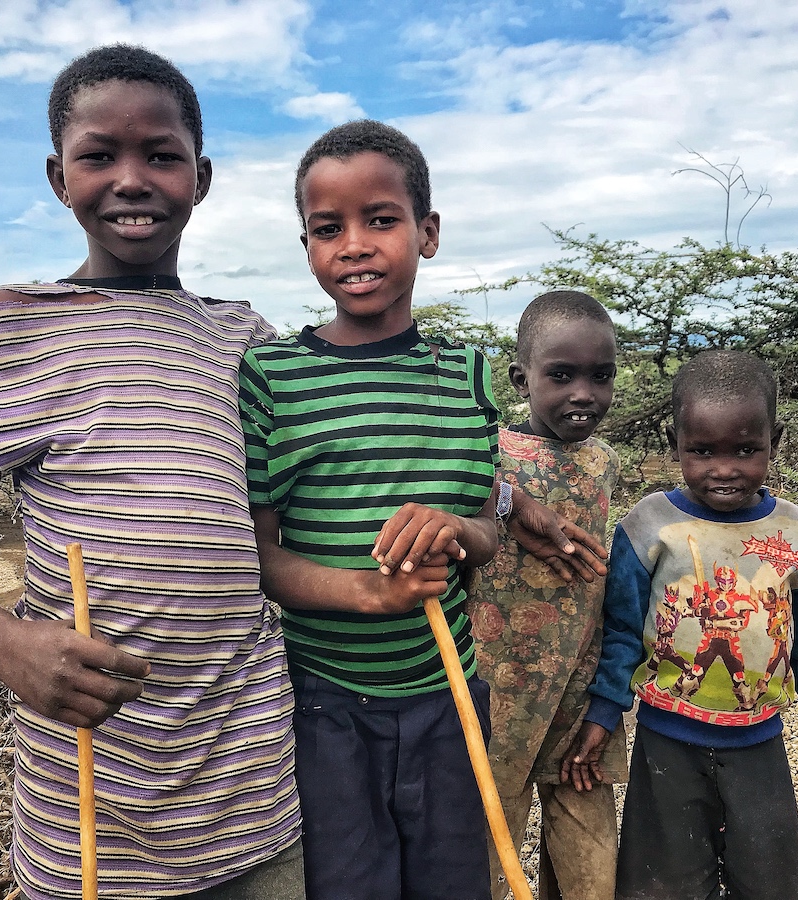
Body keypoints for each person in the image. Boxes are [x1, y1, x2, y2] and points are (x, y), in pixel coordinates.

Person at [0, 45, 307, 900]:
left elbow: (331, 493)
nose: (132, 178)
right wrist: (4, 644)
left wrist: (501, 495)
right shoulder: (5, 330)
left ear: (203, 175)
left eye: (161, 155)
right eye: (99, 155)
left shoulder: (244, 338)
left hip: (257, 799)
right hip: (89, 810)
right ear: (56, 175)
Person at [239, 119, 574, 900]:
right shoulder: (274, 378)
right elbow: (263, 559)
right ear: (308, 248)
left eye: (380, 220)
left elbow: (489, 533)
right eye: (329, 229)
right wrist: (370, 592)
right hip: (325, 707)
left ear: (426, 233)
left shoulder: (467, 377)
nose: (354, 244)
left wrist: (461, 529)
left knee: (453, 883)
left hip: (449, 696)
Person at [578, 349, 798, 900]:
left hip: (760, 745)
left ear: (774, 442)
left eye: (747, 450)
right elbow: (621, 631)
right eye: (702, 451)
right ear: (675, 443)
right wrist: (605, 711)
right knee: (664, 884)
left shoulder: (795, 533)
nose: (725, 469)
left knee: (770, 883)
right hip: (666, 742)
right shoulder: (651, 526)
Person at [468, 290, 629, 900]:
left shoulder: (605, 461)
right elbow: (470, 497)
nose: (582, 394)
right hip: (498, 699)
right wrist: (512, 504)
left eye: (600, 376)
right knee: (490, 848)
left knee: (590, 858)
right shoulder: (489, 457)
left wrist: (609, 699)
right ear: (521, 378)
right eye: (561, 376)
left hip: (578, 696)